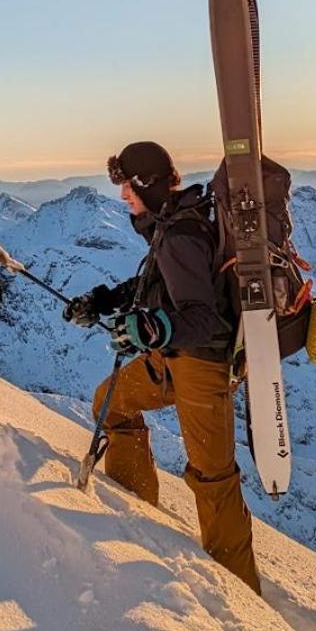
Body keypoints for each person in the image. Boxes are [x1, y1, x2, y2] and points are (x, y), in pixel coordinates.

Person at [63, 140, 261, 595]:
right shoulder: (170, 227)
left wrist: (148, 330)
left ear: (149, 185)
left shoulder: (180, 236)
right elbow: (161, 283)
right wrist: (106, 300)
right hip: (171, 359)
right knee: (110, 404)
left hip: (202, 366)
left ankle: (241, 595)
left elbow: (203, 316)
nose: (122, 196)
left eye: (128, 186)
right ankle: (137, 509)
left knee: (213, 479)